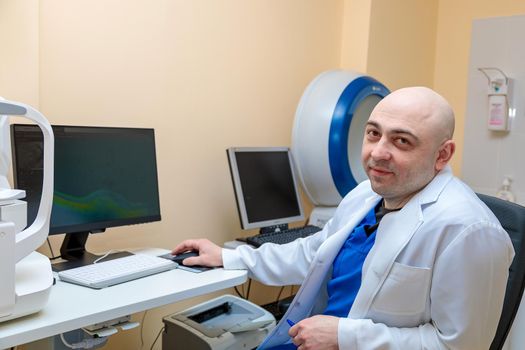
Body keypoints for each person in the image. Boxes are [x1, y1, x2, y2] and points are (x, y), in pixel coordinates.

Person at [173, 87, 515, 349]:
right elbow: (314, 254)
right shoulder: (367, 194)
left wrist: (345, 336)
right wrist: (230, 256)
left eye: (402, 141)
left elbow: (460, 345)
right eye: (373, 133)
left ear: (442, 154)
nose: (378, 152)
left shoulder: (469, 231)